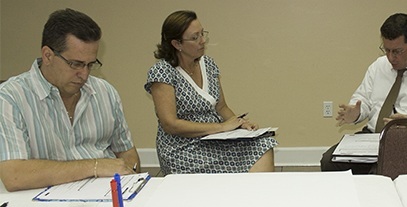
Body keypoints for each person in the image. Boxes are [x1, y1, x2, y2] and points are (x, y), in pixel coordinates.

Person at [0, 9, 140, 192]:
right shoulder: (11, 97)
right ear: (48, 55)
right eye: (75, 64)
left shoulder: (105, 92)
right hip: (42, 206)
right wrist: (95, 166)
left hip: (105, 199)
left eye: (91, 64)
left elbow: (127, 153)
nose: (84, 74)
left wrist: (130, 177)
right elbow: (14, 175)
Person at [320, 13, 407, 174]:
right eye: (386, 50)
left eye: (398, 51)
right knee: (329, 161)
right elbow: (363, 99)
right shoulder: (379, 66)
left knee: (378, 175)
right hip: (373, 138)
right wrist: (357, 113)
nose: (391, 57)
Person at [145, 10, 277, 175]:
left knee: (264, 144)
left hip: (214, 140)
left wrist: (240, 124)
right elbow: (170, 124)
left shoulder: (208, 64)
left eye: (202, 34)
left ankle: (251, 198)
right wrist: (221, 127)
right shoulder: (162, 72)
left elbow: (221, 107)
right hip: (182, 148)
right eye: (195, 38)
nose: (202, 41)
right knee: (253, 153)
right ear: (176, 44)